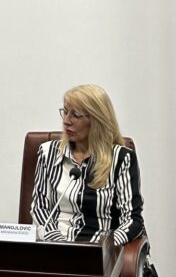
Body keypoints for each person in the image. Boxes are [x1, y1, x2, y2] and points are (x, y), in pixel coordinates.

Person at [31, 83, 144, 246]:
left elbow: (132, 220)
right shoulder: (47, 153)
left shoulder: (121, 158)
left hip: (98, 248)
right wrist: (60, 245)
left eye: (75, 115)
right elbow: (39, 208)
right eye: (65, 112)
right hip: (55, 246)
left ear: (96, 120)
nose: (66, 121)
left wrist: (105, 247)